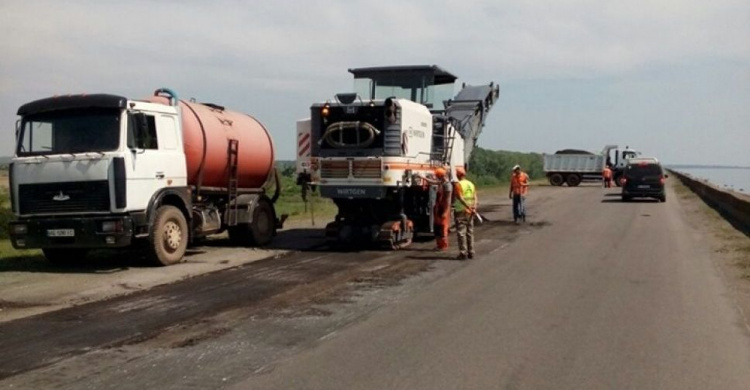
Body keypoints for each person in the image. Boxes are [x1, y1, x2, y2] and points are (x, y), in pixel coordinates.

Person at [419, 167, 452, 251]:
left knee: (442, 228)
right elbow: (433, 182)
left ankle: (443, 245)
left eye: (438, 176)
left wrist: (445, 211)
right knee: (437, 227)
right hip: (438, 208)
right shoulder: (442, 183)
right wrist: (423, 178)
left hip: (443, 209)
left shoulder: (447, 185)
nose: (437, 178)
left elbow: (448, 200)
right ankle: (439, 245)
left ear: (441, 176)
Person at [453, 167, 478, 260]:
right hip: (470, 211)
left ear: (458, 175)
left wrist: (467, 207)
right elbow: (475, 197)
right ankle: (471, 252)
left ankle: (463, 253)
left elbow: (460, 198)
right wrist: (474, 207)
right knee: (470, 232)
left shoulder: (458, 185)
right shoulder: (471, 184)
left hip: (461, 211)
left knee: (461, 233)